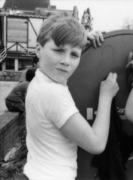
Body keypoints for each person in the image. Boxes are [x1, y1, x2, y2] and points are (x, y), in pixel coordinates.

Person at [23, 14, 119, 180]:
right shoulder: (54, 94)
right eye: (59, 51)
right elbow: (96, 144)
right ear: (38, 50)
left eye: (74, 55)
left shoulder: (40, 80)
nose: (66, 61)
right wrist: (106, 97)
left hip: (36, 171)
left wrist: (79, 38)